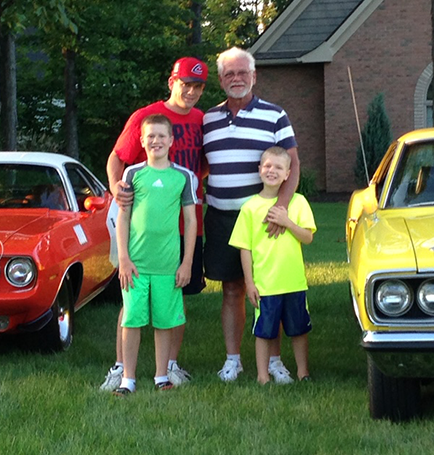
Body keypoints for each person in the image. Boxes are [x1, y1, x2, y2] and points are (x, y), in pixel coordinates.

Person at [101, 57, 208, 391]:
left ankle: (168, 368)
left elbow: (202, 165)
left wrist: (185, 189)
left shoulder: (202, 120)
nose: (190, 91)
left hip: (180, 226)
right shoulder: (145, 118)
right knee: (130, 298)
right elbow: (117, 158)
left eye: (198, 86)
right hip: (135, 230)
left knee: (174, 299)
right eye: (185, 83)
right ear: (171, 82)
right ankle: (121, 369)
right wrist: (117, 190)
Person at [203, 47, 301, 383]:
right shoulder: (208, 119)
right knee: (232, 289)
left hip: (263, 220)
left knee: (268, 291)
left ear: (254, 76)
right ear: (220, 80)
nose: (237, 79)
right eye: (229, 74)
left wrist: (280, 209)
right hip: (221, 217)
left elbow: (293, 163)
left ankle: (274, 361)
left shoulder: (275, 115)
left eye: (242, 72)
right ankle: (234, 359)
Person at [112, 113, 198, 396]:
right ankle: (128, 378)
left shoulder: (183, 177)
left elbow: (191, 221)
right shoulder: (133, 174)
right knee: (132, 319)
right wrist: (123, 258)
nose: (156, 141)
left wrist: (186, 263)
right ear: (141, 141)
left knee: (164, 321)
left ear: (171, 140)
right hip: (136, 265)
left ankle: (162, 375)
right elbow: (123, 218)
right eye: (151, 136)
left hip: (167, 265)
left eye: (162, 136)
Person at [229, 147, 315, 384]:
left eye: (278, 167)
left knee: (299, 329)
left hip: (294, 281)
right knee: (264, 330)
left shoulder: (297, 202)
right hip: (266, 284)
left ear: (288, 173)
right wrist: (250, 282)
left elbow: (307, 237)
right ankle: (262, 376)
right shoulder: (250, 207)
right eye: (267, 166)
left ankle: (303, 372)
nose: (272, 171)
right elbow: (244, 247)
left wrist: (286, 222)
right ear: (259, 170)